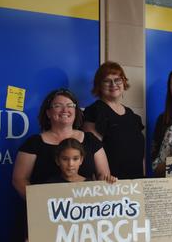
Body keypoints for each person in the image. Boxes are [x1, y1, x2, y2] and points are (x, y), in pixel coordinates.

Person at [11, 88, 112, 241]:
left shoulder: (91, 140)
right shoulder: (33, 143)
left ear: (76, 111)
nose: (65, 109)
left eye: (70, 105)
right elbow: (19, 179)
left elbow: (103, 176)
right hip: (45, 218)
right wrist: (41, 203)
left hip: (84, 220)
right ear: (48, 113)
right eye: (58, 106)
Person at [83, 62, 145, 179]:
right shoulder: (94, 112)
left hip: (136, 185)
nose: (113, 84)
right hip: (112, 186)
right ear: (99, 85)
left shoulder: (132, 116)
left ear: (124, 82)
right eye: (107, 81)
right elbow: (92, 153)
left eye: (117, 80)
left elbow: (139, 153)